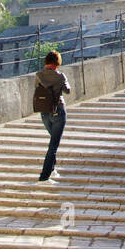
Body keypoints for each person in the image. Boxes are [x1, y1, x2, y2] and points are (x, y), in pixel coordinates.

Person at [35, 50, 70, 182]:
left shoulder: (38, 75)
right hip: (58, 111)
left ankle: (52, 169)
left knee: (53, 142)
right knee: (53, 145)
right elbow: (68, 90)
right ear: (57, 63)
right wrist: (62, 82)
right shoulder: (60, 76)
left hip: (44, 112)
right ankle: (44, 175)